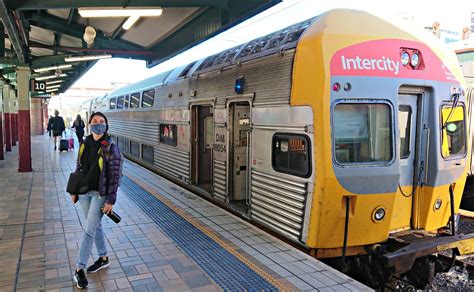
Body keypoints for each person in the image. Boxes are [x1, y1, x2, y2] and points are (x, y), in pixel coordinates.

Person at [69, 112, 122, 289]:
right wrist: (74, 190)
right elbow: (79, 166)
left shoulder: (111, 147)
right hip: (84, 192)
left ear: (106, 125)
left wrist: (111, 201)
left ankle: (79, 268)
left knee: (89, 230)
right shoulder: (84, 143)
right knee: (95, 226)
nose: (98, 124)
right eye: (94, 122)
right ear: (89, 124)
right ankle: (103, 258)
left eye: (101, 122)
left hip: (100, 195)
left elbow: (115, 176)